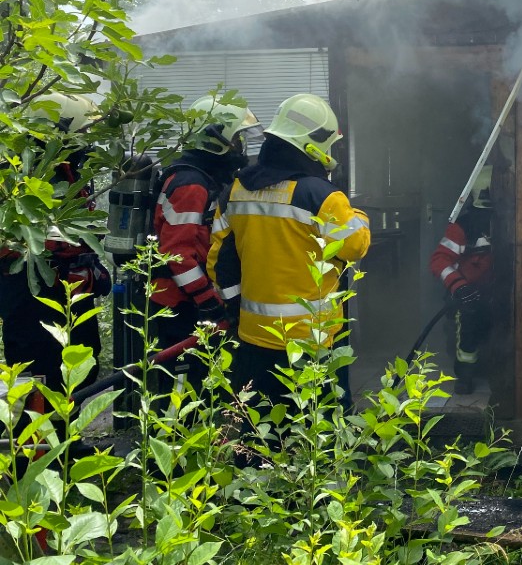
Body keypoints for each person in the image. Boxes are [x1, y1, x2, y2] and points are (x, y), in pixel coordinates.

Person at [207, 93, 370, 411]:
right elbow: (355, 245)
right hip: (311, 344)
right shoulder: (321, 196)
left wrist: (236, 306)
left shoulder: (235, 192)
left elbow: (218, 263)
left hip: (253, 341)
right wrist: (360, 216)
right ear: (315, 144)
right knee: (314, 438)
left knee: (259, 438)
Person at [148, 96, 261, 397]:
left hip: (190, 302)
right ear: (216, 140)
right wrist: (207, 299)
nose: (241, 146)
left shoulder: (204, 178)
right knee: (182, 388)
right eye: (236, 138)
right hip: (179, 306)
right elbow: (176, 253)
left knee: (204, 383)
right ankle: (175, 442)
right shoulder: (191, 184)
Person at [0, 92, 109, 393]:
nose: (86, 139)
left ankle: (68, 438)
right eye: (81, 131)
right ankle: (37, 440)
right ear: (58, 130)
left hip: (69, 295)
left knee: (81, 366)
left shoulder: (67, 171)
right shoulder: (19, 177)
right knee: (38, 371)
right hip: (31, 296)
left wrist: (90, 266)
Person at [428, 166, 494, 395]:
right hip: (469, 295)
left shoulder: (514, 221)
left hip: (499, 292)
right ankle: (465, 375)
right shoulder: (463, 226)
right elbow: (439, 261)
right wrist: (460, 288)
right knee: (469, 321)